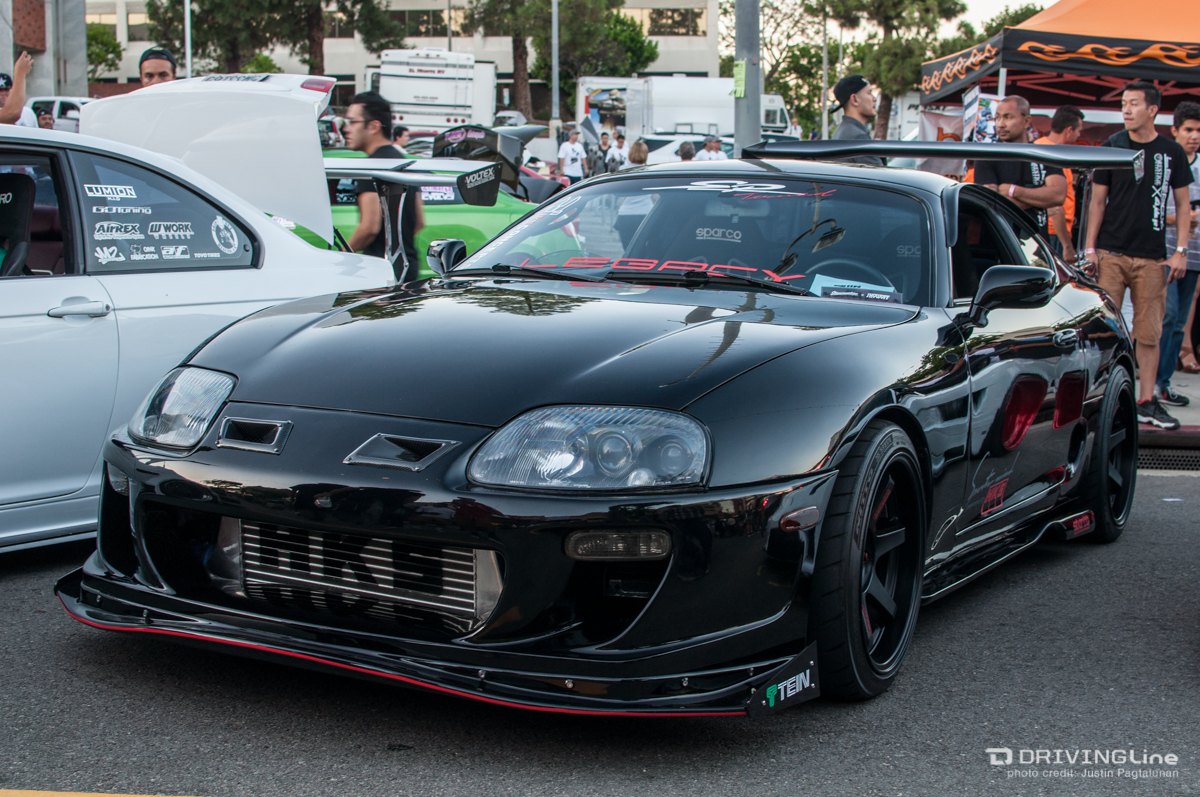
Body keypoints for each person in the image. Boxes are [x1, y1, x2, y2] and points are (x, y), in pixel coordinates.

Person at [1084, 80, 1194, 429]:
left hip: (1153, 257)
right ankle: (1099, 401)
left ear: (1152, 109)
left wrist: (1181, 251)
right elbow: (1097, 201)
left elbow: (1183, 204)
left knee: (1149, 332)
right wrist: (1090, 249)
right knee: (1104, 331)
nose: (1126, 110)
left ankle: (1147, 400)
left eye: (1133, 103)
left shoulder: (1171, 151)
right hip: (1111, 253)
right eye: (1123, 104)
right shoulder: (1113, 145)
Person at [344, 91, 424, 281]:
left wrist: (341, 256)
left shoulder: (373, 167)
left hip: (380, 274)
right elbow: (419, 221)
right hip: (407, 271)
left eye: (352, 122)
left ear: (373, 126)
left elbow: (369, 228)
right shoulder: (402, 162)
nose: (346, 129)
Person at [1155, 101, 1200, 407]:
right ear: (1175, 130)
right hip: (1165, 252)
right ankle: (1152, 383)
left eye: (1198, 130)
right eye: (1189, 129)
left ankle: (1163, 384)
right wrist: (1178, 219)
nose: (1194, 136)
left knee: (1180, 323)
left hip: (1194, 254)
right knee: (1167, 317)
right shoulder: (1166, 161)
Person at [973, 95, 1067, 236]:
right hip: (1002, 241)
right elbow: (991, 205)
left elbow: (1058, 196)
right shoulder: (987, 155)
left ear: (1026, 121)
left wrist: (1012, 191)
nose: (1000, 124)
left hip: (1037, 242)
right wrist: (1040, 197)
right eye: (997, 118)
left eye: (1008, 117)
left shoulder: (1043, 154)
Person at [1034, 105, 1085, 261]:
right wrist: (1067, 245)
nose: (1079, 135)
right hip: (1053, 232)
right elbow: (1054, 206)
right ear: (1069, 130)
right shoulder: (1048, 153)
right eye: (1078, 130)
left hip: (1054, 230)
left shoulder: (1041, 147)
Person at [830, 74, 883, 166]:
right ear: (854, 99)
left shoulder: (841, 131)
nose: (874, 99)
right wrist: (880, 152)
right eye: (869, 93)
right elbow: (881, 173)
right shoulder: (858, 137)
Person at [0, 53, 36, 126]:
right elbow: (11, 113)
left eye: (6, 89)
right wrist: (20, 72)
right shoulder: (14, 110)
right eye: (0, 90)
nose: (3, 93)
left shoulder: (27, 112)